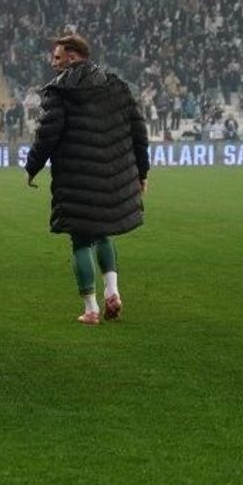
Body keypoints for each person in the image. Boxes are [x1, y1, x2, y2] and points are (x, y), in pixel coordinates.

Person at [25, 34, 149, 324]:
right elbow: (138, 131)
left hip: (76, 180)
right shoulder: (116, 85)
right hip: (114, 177)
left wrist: (32, 167)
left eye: (57, 57)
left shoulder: (60, 91)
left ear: (72, 57)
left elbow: (47, 135)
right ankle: (112, 292)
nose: (53, 62)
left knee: (81, 239)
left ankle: (91, 309)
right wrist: (142, 173)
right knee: (103, 232)